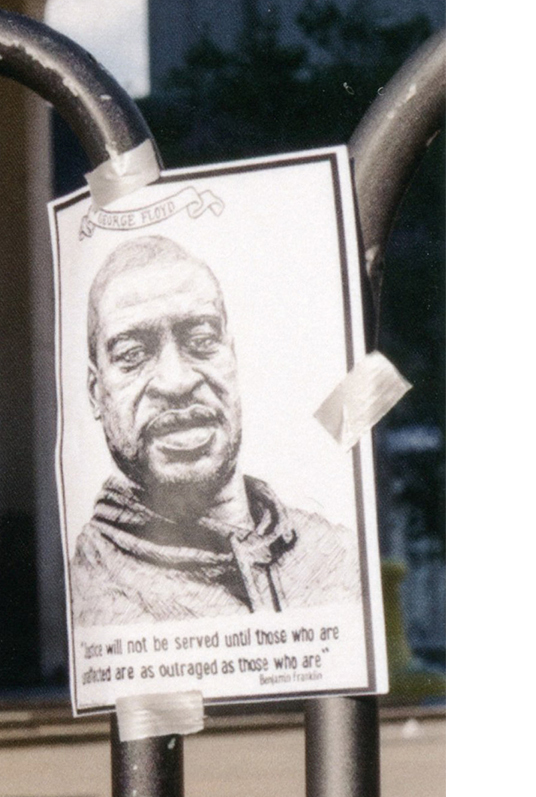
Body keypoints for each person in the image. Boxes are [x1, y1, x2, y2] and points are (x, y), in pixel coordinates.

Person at [65, 234, 337, 621]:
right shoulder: (85, 588)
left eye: (202, 340)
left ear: (233, 358)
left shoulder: (336, 553)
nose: (175, 382)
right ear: (96, 393)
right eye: (132, 354)